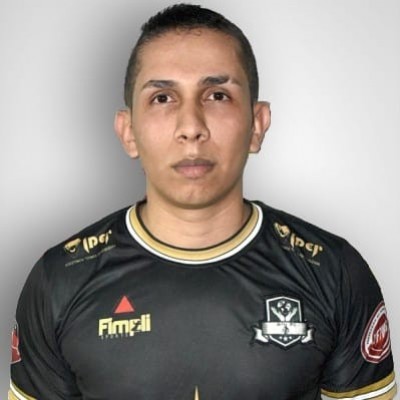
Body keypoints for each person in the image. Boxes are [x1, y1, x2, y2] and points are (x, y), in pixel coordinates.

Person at [9, 4, 396, 400]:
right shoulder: (59, 281)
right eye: (163, 98)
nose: (191, 127)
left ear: (257, 124)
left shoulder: (333, 271)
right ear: (128, 131)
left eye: (217, 95)